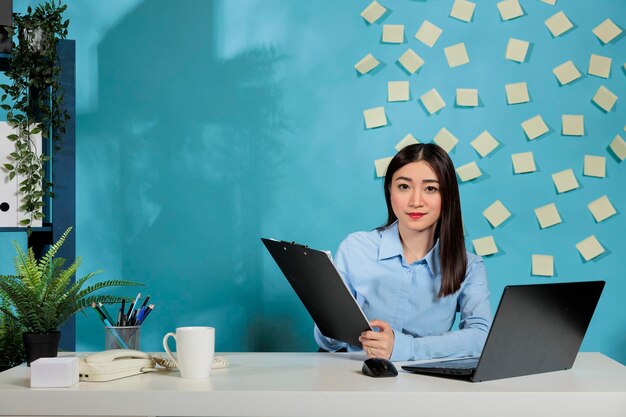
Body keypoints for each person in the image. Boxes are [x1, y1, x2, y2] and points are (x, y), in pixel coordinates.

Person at [314, 143, 492, 361]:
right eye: (404, 187)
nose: (416, 202)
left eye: (430, 188)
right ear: (390, 190)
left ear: (447, 196)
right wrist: (330, 321)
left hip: (424, 383)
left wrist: (404, 348)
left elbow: (481, 337)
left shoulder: (469, 265)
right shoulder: (356, 247)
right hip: (355, 375)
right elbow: (328, 343)